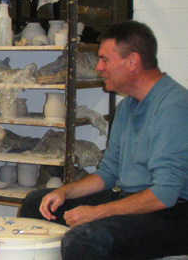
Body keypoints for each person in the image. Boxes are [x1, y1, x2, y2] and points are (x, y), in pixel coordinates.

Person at [20, 20, 188, 259]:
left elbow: (163, 194)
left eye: (105, 60)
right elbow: (108, 173)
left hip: (173, 214)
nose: (99, 67)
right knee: (38, 202)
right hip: (133, 201)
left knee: (83, 240)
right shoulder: (127, 106)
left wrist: (98, 212)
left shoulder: (174, 106)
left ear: (132, 62)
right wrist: (65, 192)